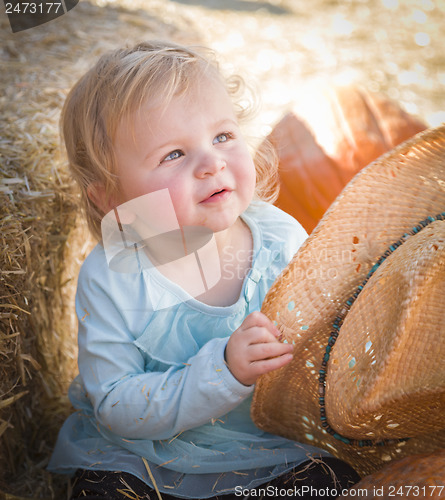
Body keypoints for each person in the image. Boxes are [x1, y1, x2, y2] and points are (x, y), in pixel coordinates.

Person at [48, 40, 360, 499]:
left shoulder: (279, 238)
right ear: (111, 196)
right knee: (102, 490)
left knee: (335, 482)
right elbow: (115, 402)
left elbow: (323, 339)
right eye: (173, 154)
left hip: (268, 448)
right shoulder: (112, 275)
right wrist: (222, 372)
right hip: (144, 457)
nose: (212, 162)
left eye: (222, 137)